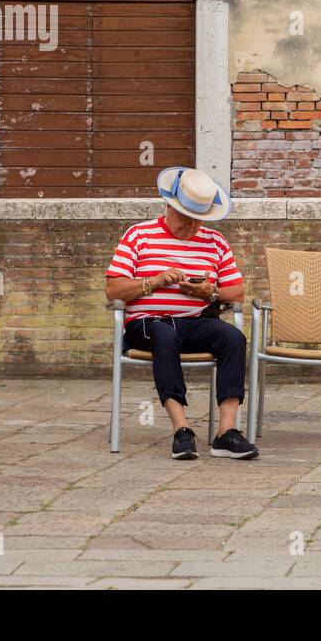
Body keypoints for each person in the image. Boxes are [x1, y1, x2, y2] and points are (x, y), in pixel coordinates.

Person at [105, 166, 258, 461]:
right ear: (169, 207)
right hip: (148, 325)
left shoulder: (215, 242)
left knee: (233, 337)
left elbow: (237, 293)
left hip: (195, 322)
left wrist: (209, 293)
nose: (191, 229)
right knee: (165, 336)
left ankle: (226, 433)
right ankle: (182, 430)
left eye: (197, 222)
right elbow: (113, 291)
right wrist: (154, 282)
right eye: (186, 220)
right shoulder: (139, 236)